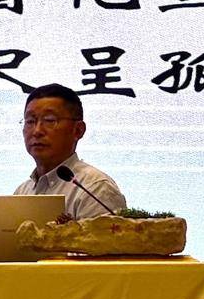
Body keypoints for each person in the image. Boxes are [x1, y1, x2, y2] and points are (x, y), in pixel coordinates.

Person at [14, 83, 127, 220]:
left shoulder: (95, 189)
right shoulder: (22, 191)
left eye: (49, 120)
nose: (37, 131)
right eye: (30, 121)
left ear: (78, 130)